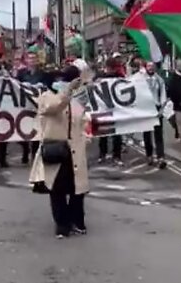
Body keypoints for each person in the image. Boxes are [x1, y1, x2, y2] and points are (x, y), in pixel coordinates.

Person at [29, 61, 90, 239]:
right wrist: (67, 91)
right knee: (57, 190)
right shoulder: (47, 97)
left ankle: (77, 220)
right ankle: (62, 224)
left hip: (75, 149)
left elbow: (82, 119)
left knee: (78, 189)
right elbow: (53, 108)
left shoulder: (73, 98)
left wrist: (86, 136)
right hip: (56, 148)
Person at [95, 55, 127, 166]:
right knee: (103, 134)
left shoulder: (119, 77)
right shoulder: (100, 77)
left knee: (116, 134)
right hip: (103, 108)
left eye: (112, 68)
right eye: (110, 67)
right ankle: (104, 154)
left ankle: (115, 155)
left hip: (116, 108)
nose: (111, 70)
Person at [136, 62, 167, 168]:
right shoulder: (141, 79)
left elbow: (163, 94)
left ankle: (160, 157)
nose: (150, 68)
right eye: (148, 66)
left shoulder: (159, 80)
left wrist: (162, 109)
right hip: (145, 108)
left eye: (152, 66)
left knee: (158, 134)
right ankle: (149, 155)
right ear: (146, 67)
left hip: (156, 107)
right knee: (147, 134)